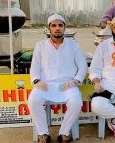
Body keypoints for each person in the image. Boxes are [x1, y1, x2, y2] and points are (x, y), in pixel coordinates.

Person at [28, 14, 88, 143]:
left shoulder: (73, 45)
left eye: (60, 25)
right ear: (49, 28)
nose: (57, 28)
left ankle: (64, 133)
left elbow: (83, 66)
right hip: (46, 85)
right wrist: (36, 81)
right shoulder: (40, 45)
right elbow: (34, 67)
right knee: (33, 100)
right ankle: (43, 133)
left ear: (64, 27)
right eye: (54, 25)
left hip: (67, 85)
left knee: (76, 102)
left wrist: (75, 81)